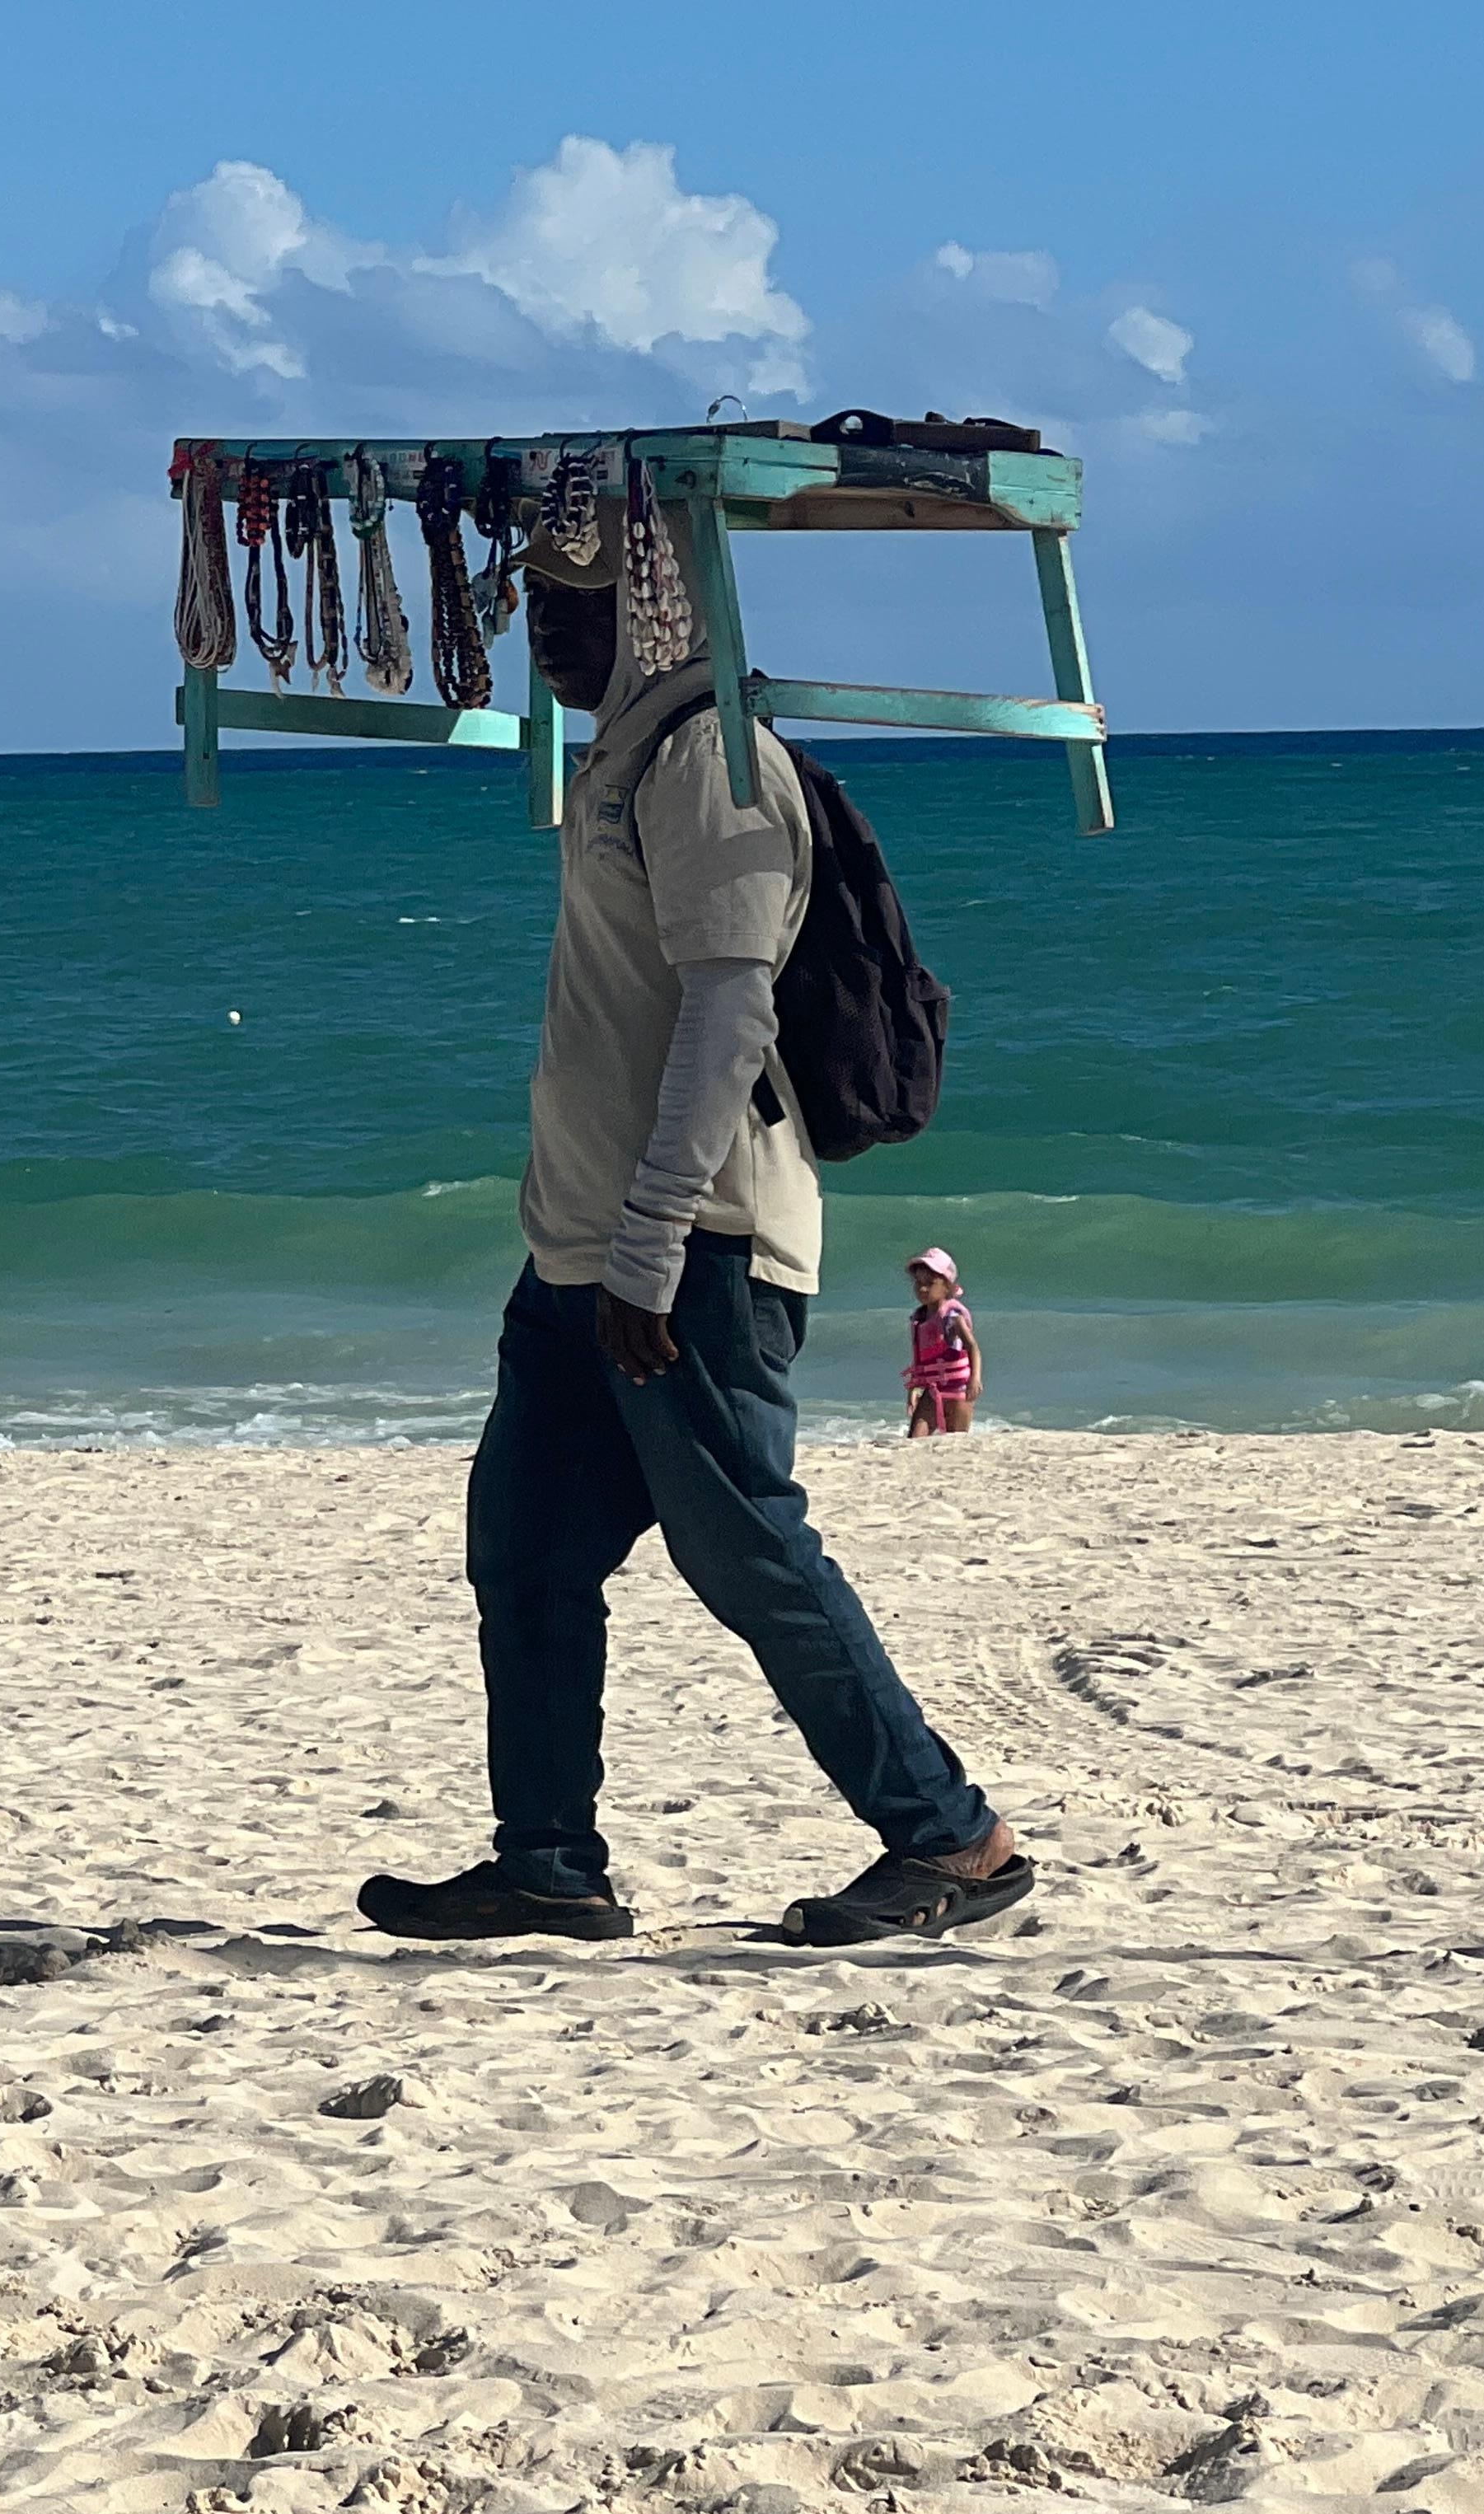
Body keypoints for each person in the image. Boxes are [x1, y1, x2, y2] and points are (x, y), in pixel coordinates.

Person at [356, 498, 1031, 1951]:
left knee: (747, 1554)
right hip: (579, 1255)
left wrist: (653, 1245)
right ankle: (545, 1860)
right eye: (535, 604)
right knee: (524, 1550)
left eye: (576, 607)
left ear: (657, 613)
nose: (549, 631)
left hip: (691, 1248)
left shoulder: (712, 766)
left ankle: (950, 1840)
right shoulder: (616, 754)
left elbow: (729, 1011)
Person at [904, 1249, 981, 1437]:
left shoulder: (952, 1317)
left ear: (947, 1286)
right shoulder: (920, 1318)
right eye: (918, 1283)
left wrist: (975, 1379)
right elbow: (921, 1360)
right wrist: (915, 1387)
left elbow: (972, 1347)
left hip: (958, 1390)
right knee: (915, 1438)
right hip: (931, 1390)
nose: (922, 1289)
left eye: (929, 1284)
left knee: (956, 1440)